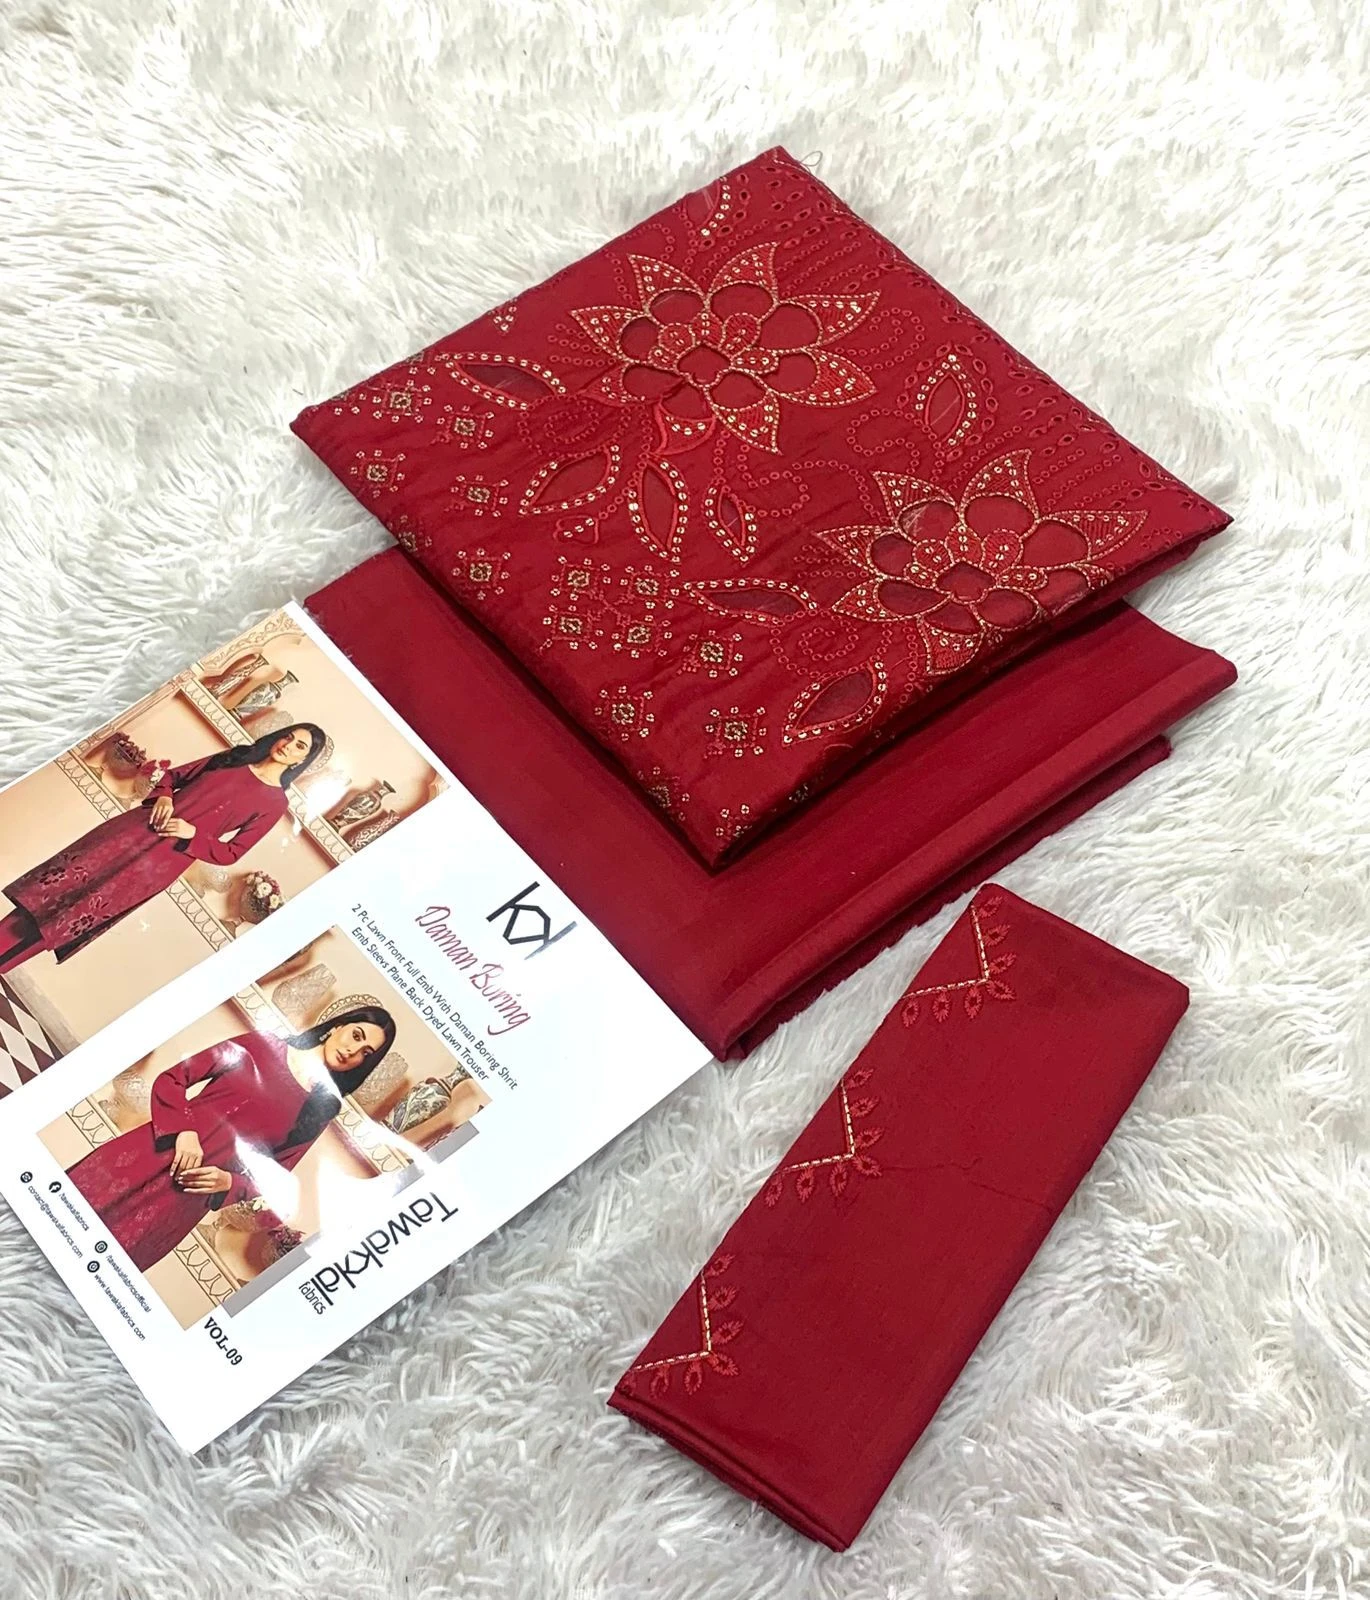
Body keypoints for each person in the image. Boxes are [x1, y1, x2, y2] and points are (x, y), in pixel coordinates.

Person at [69, 1006, 396, 1272]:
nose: (353, 1050)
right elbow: (174, 1079)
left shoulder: (323, 1107)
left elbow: (276, 1176)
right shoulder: (262, 1044)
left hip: (185, 1199)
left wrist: (228, 1182)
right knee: (65, 1216)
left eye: (365, 1053)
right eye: (356, 1035)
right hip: (147, 1154)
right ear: (337, 1027)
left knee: (102, 1271)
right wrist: (184, 1130)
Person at [0, 724, 327, 974]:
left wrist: (192, 834)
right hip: (131, 830)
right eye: (288, 737)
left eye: (300, 746)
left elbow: (233, 852)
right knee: (51, 893)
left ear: (303, 760)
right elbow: (171, 777)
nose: (288, 745)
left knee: (72, 914)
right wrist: (166, 798)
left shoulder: (274, 803)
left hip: (160, 863)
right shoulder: (235, 757)